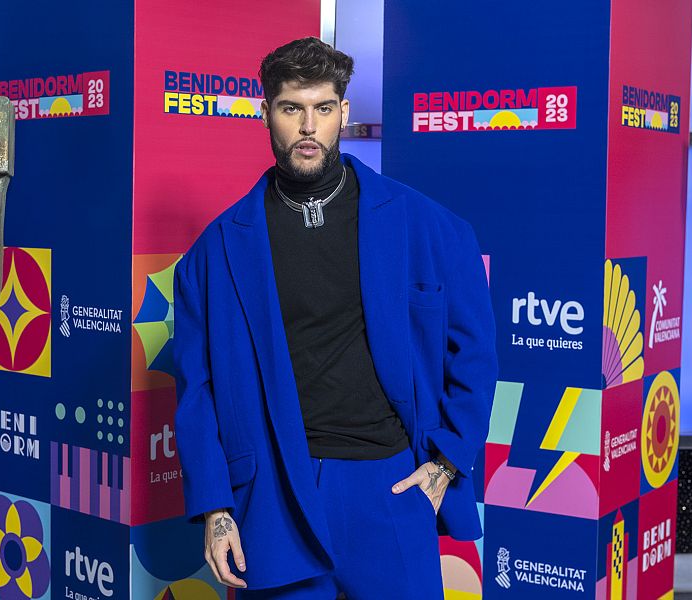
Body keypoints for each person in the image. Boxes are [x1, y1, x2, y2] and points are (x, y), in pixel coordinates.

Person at [173, 37, 497, 599]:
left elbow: (475, 353)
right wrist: (216, 510)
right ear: (265, 112)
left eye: (322, 108)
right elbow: (196, 388)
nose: (308, 126)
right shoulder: (215, 251)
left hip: (391, 482)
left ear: (343, 112)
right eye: (291, 108)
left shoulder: (427, 226)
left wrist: (446, 463)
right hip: (275, 491)